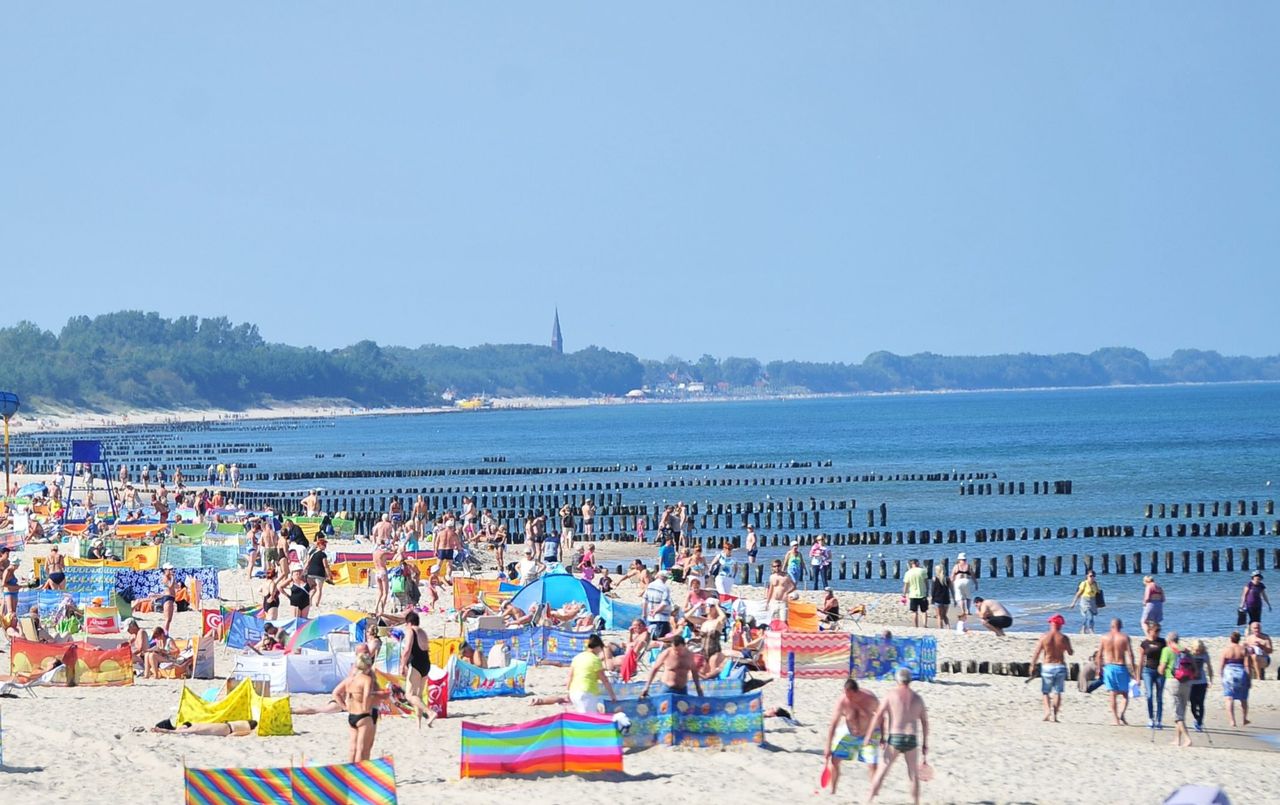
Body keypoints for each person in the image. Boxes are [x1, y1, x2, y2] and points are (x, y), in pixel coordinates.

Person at [863, 668, 929, 805]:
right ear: (910, 680)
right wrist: (925, 744)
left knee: (882, 771)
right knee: (913, 775)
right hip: (911, 738)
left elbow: (878, 716)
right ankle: (916, 802)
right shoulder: (918, 698)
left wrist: (869, 735)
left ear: (897, 680)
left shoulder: (891, 695)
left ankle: (869, 800)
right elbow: (925, 722)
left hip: (896, 737)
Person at [824, 678, 880, 795]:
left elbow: (881, 717)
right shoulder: (842, 701)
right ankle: (832, 792)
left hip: (869, 734)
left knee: (872, 765)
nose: (848, 698)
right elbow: (833, 724)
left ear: (857, 691)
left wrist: (883, 736)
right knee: (834, 760)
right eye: (846, 694)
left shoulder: (870, 699)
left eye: (851, 695)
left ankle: (874, 795)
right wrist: (828, 746)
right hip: (850, 733)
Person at [345, 653, 389, 762]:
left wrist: (346, 706)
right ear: (368, 666)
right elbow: (366, 697)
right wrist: (367, 707)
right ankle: (359, 774)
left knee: (353, 749)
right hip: (365, 715)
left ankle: (350, 773)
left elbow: (337, 693)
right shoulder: (367, 679)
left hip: (352, 715)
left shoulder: (351, 679)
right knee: (363, 748)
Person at [1030, 613, 1073, 722]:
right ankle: (1055, 716)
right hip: (1060, 666)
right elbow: (1070, 652)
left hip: (1047, 666)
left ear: (1051, 624)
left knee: (1046, 691)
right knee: (1057, 692)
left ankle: (1047, 711)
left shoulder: (1044, 637)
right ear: (1060, 625)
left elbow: (1037, 652)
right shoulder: (1064, 638)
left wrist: (1032, 665)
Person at [399, 611, 436, 726]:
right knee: (418, 696)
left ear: (409, 622)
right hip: (426, 663)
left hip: (416, 663)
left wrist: (402, 665)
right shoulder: (423, 632)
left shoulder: (411, 631)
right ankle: (418, 724)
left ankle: (430, 713)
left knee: (409, 695)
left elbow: (407, 650)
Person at [1158, 631, 1193, 747]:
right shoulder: (1185, 650)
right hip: (1187, 682)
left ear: (1169, 641)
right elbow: (1195, 668)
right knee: (1181, 712)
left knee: (1177, 714)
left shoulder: (1166, 650)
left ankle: (1187, 739)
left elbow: (1162, 669)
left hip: (1172, 682)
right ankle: (1177, 739)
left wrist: (1159, 670)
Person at [1099, 618, 1136, 726]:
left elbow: (1099, 655)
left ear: (1111, 626)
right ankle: (1121, 714)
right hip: (1121, 667)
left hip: (1109, 667)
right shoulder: (1125, 637)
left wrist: (1099, 668)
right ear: (1121, 626)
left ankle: (1115, 719)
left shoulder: (1104, 637)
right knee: (1125, 694)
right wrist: (1133, 670)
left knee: (1112, 694)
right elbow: (1130, 655)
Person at [567, 634, 617, 714]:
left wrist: (567, 691)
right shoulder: (595, 660)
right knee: (589, 719)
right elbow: (604, 680)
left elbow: (570, 676)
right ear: (597, 647)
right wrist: (612, 695)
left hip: (573, 692)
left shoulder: (577, 657)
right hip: (586, 692)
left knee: (582, 716)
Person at [1139, 622, 1167, 729]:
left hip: (1160, 672)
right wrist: (1138, 676)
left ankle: (1159, 720)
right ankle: (1150, 718)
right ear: (1150, 631)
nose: (1157, 634)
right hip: (1148, 671)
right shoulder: (1144, 643)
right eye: (1156, 631)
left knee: (1159, 697)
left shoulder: (1163, 642)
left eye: (1159, 631)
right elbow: (1141, 660)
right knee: (1149, 695)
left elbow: (1168, 655)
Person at [1220, 631, 1250, 727]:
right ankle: (1244, 719)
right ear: (1239, 639)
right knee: (1243, 698)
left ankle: (1232, 720)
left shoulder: (1226, 650)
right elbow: (1247, 665)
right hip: (1241, 673)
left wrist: (1221, 676)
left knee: (1229, 698)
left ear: (1230, 638)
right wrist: (1249, 678)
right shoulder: (1243, 650)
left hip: (1229, 674)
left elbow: (1222, 665)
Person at [1188, 639, 1213, 732]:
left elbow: (1209, 667)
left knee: (1201, 703)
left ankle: (1199, 723)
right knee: (1193, 703)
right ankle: (1196, 717)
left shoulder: (1205, 655)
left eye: (1200, 650)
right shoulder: (1190, 654)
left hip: (1202, 682)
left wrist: (1211, 679)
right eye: (1197, 650)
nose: (1198, 652)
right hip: (1191, 682)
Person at [643, 570, 674, 640]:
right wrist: (655, 612)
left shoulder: (650, 585)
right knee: (660, 639)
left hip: (650, 616)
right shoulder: (665, 588)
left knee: (651, 638)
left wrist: (644, 613)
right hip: (662, 618)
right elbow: (664, 603)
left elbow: (645, 600)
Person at [1068, 570, 1100, 634]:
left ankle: (1083, 629)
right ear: (1087, 576)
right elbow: (1078, 594)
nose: (1092, 577)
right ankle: (1091, 630)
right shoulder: (1084, 583)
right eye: (1090, 576)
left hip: (1092, 601)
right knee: (1090, 616)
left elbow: (1098, 592)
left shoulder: (1095, 584)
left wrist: (1099, 603)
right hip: (1084, 601)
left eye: (1093, 576)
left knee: (1087, 617)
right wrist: (1073, 603)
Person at [305, 538, 331, 608]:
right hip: (319, 573)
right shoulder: (323, 554)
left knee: (313, 588)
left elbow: (308, 563)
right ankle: (316, 604)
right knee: (319, 589)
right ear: (319, 545)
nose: (325, 546)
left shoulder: (312, 553)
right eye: (324, 544)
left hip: (310, 573)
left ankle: (309, 601)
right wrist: (329, 575)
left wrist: (304, 571)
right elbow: (325, 566)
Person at [901, 559, 928, 628]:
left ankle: (916, 626)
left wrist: (904, 594)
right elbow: (926, 582)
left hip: (913, 594)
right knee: (924, 611)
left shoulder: (908, 573)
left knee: (914, 611)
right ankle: (924, 625)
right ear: (917, 563)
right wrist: (927, 590)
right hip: (922, 593)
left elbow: (906, 585)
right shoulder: (922, 571)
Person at [152, 719, 257, 736]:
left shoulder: (246, 723)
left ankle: (165, 730)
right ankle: (166, 730)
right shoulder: (251, 725)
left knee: (192, 729)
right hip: (226, 728)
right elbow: (247, 732)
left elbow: (246, 732)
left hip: (226, 727)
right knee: (192, 729)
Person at [156, 565, 180, 636]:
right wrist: (173, 577)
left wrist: (177, 583)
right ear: (165, 570)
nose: (172, 570)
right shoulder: (165, 577)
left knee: (169, 619)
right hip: (168, 598)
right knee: (167, 619)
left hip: (171, 598)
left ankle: (166, 633)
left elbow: (176, 586)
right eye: (170, 569)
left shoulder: (169, 578)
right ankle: (164, 634)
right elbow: (170, 585)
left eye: (172, 569)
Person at [372, 539, 390, 617]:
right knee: (385, 593)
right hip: (383, 571)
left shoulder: (374, 553)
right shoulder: (383, 553)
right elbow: (393, 551)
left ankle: (375, 608)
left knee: (379, 592)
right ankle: (382, 610)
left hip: (377, 572)